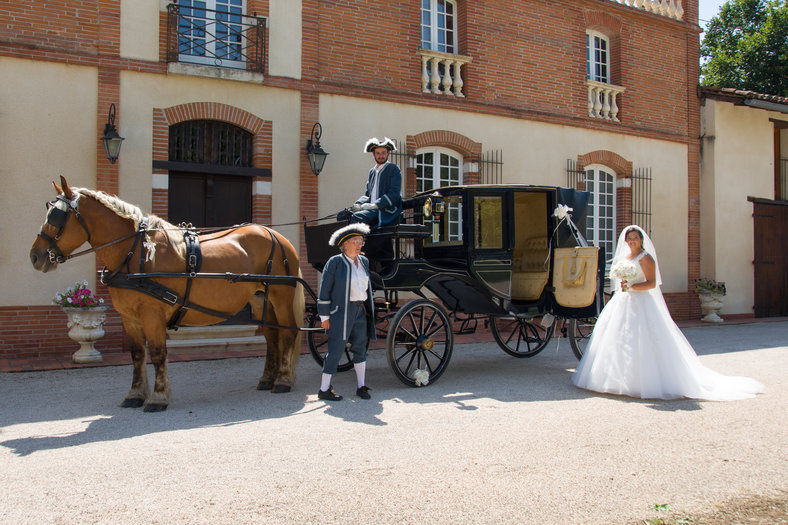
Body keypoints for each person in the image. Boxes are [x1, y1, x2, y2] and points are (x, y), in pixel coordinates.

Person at [572, 225, 764, 400]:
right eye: (629, 238)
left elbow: (651, 283)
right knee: (617, 339)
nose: (632, 241)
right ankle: (615, 379)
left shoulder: (645, 258)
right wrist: (624, 285)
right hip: (623, 301)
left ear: (641, 240)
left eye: (635, 238)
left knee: (644, 340)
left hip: (641, 302)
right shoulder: (625, 259)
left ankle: (645, 381)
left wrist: (632, 285)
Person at [316, 223, 376, 401]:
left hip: (360, 310)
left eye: (361, 241)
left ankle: (361, 386)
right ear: (345, 244)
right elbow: (324, 290)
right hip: (341, 312)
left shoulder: (364, 261)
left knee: (360, 349)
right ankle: (324, 389)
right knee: (336, 349)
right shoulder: (335, 262)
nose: (359, 245)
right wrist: (324, 316)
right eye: (355, 241)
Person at [338, 137, 402, 228]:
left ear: (388, 153)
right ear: (373, 154)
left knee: (357, 217)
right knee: (342, 215)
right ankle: (345, 242)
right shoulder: (372, 172)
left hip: (384, 211)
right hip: (370, 211)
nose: (381, 156)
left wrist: (375, 205)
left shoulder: (393, 169)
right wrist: (358, 205)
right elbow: (368, 195)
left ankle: (357, 242)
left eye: (383, 153)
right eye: (378, 153)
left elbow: (394, 194)